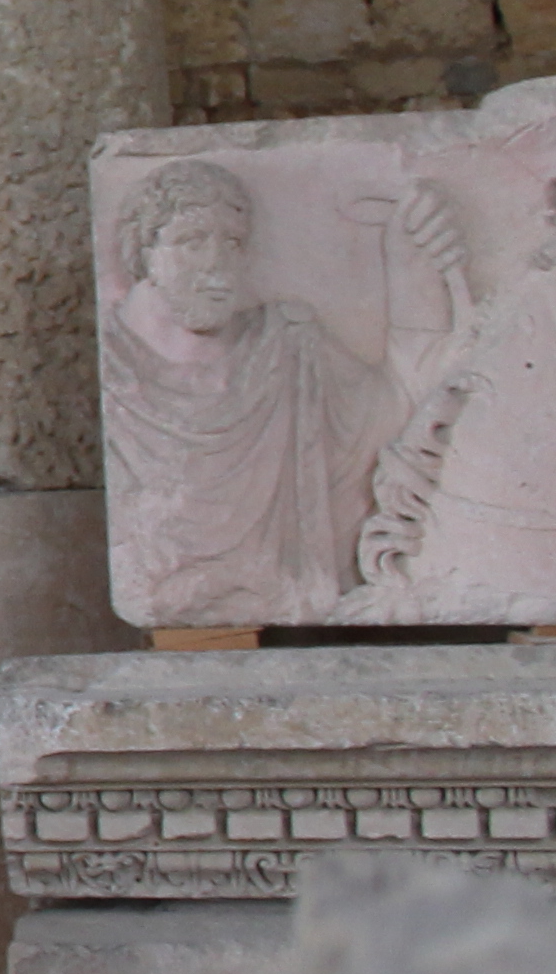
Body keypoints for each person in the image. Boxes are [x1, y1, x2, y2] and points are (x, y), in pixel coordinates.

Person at [102, 157, 463, 629]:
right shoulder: (115, 370)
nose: (216, 263)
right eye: (191, 241)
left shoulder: (288, 348)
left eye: (233, 242)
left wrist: (411, 274)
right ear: (143, 252)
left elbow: (399, 414)